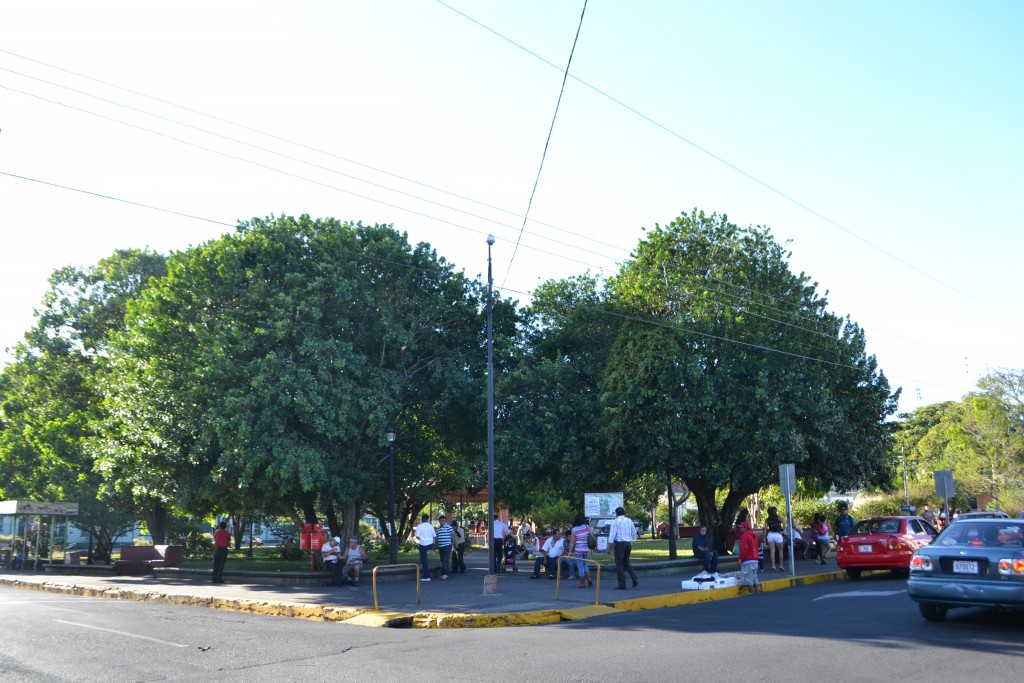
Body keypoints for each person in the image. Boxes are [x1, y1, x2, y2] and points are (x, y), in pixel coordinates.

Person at [607, 507, 639, 590]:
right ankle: (634, 578)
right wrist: (631, 540)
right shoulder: (629, 520)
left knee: (619, 564)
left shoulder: (615, 522)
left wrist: (609, 548)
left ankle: (622, 584)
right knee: (626, 562)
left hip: (620, 544)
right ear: (624, 513)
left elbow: (612, 536)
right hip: (628, 543)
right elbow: (634, 532)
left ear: (616, 513)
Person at [567, 514, 594, 588]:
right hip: (586, 548)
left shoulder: (574, 530)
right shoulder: (586, 527)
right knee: (585, 564)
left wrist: (569, 551)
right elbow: (591, 536)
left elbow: (572, 541)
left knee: (580, 566)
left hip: (578, 549)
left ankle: (582, 583)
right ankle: (589, 579)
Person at [739, 525, 762, 593]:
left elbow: (744, 549)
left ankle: (751, 593)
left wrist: (741, 558)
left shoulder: (744, 536)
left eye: (741, 527)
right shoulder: (753, 536)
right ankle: (757, 592)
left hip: (748, 560)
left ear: (745, 528)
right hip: (755, 559)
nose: (740, 528)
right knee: (754, 577)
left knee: (748, 578)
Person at [415, 513, 436, 582]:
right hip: (430, 543)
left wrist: (422, 538)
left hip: (423, 544)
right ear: (427, 519)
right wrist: (433, 544)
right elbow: (435, 536)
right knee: (424, 559)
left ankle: (426, 576)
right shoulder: (430, 526)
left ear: (422, 519)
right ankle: (421, 563)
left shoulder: (419, 526)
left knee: (424, 561)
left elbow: (417, 537)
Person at [765, 506, 785, 571]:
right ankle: (781, 565)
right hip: (778, 534)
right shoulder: (778, 517)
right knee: (780, 551)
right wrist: (783, 530)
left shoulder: (767, 520)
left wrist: (764, 539)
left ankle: (773, 566)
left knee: (772, 551)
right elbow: (784, 522)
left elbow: (765, 530)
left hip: (770, 535)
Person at [436, 514, 455, 580]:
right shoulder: (438, 529)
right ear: (439, 521)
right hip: (441, 546)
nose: (442, 522)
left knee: (445, 559)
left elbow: (452, 535)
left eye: (444, 520)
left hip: (447, 545)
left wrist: (454, 543)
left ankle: (446, 573)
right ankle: (444, 572)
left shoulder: (448, 527)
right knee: (442, 560)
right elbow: (437, 537)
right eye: (441, 520)